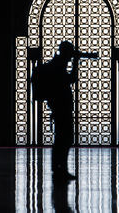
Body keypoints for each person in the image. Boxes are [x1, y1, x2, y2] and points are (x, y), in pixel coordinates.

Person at [47, 41, 78, 180]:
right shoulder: (58, 65)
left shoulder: (57, 64)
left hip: (60, 107)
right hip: (61, 108)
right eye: (71, 52)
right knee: (63, 139)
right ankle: (60, 169)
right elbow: (71, 79)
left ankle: (59, 169)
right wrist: (76, 64)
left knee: (62, 139)